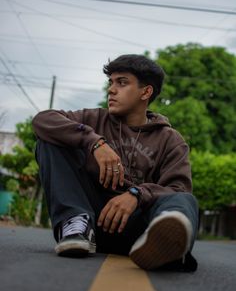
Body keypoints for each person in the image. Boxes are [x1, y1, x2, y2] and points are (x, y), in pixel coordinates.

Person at [32, 54, 199, 272]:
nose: (111, 90)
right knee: (49, 138)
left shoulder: (170, 140)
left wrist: (137, 194)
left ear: (146, 92)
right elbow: (42, 119)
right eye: (110, 83)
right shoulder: (93, 119)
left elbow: (177, 188)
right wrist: (94, 142)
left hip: (137, 230)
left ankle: (168, 241)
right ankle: (75, 224)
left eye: (122, 83)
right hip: (91, 221)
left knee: (184, 199)